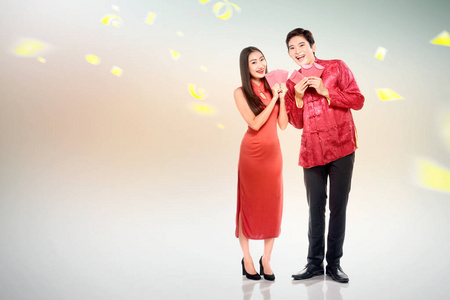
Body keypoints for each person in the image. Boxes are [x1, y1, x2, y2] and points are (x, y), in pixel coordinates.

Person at [284, 28, 364, 283]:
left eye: (301, 45)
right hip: (312, 151)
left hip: (342, 146)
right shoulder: (291, 82)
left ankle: (335, 264)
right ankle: (314, 264)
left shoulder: (337, 67)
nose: (297, 52)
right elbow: (296, 123)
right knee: (315, 209)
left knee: (338, 208)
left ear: (313, 46)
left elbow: (358, 100)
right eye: (292, 48)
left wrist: (327, 91)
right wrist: (297, 96)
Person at [234, 46, 288, 281]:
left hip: (273, 156)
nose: (260, 65)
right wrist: (273, 99)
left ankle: (266, 258)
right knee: (247, 205)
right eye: (253, 62)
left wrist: (282, 98)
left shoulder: (272, 88)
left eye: (262, 60)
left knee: (272, 205)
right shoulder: (240, 92)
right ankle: (246, 258)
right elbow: (255, 124)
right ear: (245, 68)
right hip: (252, 156)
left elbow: (283, 125)